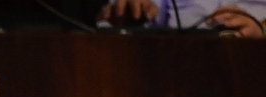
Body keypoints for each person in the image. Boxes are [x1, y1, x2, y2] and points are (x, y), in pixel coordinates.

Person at [100, 0, 266, 36]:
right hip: (158, 52)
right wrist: (126, 11)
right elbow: (102, 16)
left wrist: (262, 30)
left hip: (252, 55)